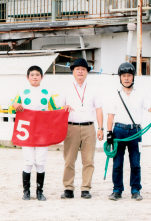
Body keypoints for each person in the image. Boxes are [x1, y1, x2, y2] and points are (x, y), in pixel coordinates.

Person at [106, 62, 151, 201]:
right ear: (120, 78)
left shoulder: (140, 94)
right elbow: (110, 116)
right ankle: (117, 190)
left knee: (135, 163)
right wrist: (109, 134)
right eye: (124, 76)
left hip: (135, 132)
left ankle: (135, 190)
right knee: (117, 163)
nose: (126, 78)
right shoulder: (114, 95)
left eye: (129, 76)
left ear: (133, 77)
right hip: (119, 131)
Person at [9, 65, 61, 201]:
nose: (35, 77)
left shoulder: (48, 93)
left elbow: (55, 110)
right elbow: (11, 107)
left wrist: (64, 109)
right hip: (26, 130)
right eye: (32, 75)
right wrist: (14, 105)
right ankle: (26, 192)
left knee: (41, 162)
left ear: (42, 77)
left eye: (37, 74)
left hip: (42, 130)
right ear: (27, 77)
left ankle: (40, 192)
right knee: (27, 161)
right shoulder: (21, 92)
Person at [56, 58, 104, 199]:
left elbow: (99, 109)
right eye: (77, 69)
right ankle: (68, 188)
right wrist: (64, 107)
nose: (80, 72)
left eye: (83, 69)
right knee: (69, 160)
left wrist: (100, 128)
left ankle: (85, 188)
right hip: (71, 128)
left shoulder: (94, 89)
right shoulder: (65, 88)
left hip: (89, 127)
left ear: (87, 72)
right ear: (73, 71)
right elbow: (59, 108)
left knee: (88, 160)